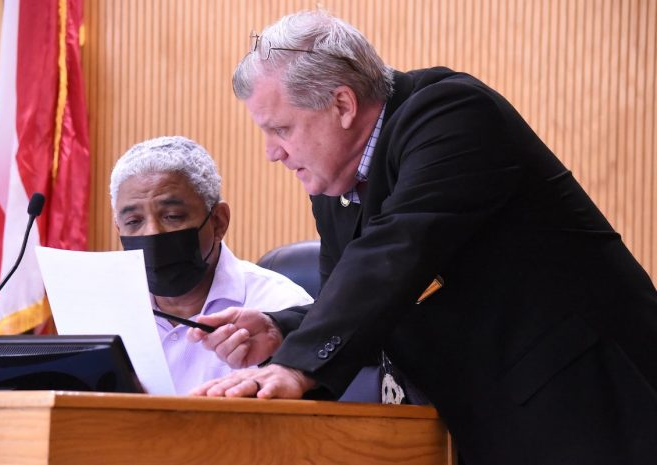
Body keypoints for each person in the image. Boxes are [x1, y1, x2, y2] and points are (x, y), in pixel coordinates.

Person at [188, 10, 657, 465]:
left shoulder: (451, 114)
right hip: (491, 417)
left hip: (591, 405)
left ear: (342, 105)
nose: (273, 153)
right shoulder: (337, 183)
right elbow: (363, 301)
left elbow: (399, 253)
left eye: (281, 129)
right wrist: (282, 330)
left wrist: (296, 366)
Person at [109, 136, 313, 394]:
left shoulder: (279, 308)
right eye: (134, 221)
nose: (152, 233)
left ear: (218, 221)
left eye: (172, 217)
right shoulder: (104, 311)